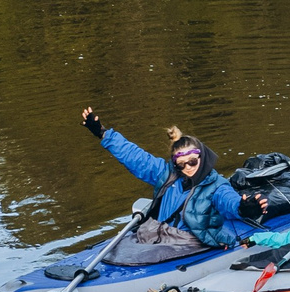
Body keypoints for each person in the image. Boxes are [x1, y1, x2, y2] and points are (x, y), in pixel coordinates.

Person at [79, 108, 254, 253]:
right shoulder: (167, 174)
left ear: (203, 158)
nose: (188, 168)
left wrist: (243, 208)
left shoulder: (217, 186)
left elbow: (229, 202)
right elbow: (134, 157)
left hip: (191, 243)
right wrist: (103, 133)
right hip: (159, 237)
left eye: (192, 162)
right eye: (181, 165)